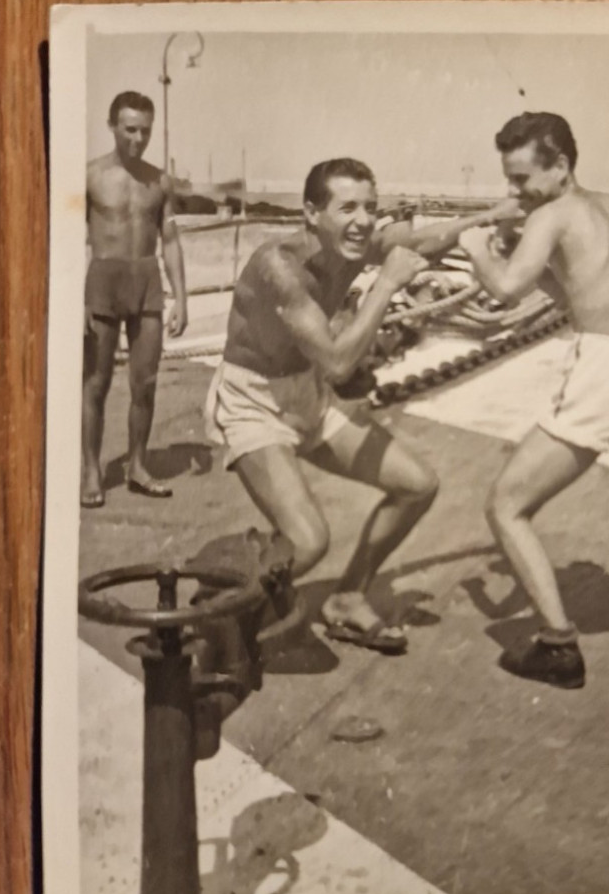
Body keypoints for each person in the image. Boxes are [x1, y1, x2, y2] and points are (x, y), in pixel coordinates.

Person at [206, 157, 514, 652]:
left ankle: (347, 598)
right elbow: (337, 363)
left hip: (307, 393)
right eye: (347, 207)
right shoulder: (278, 267)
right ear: (311, 213)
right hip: (254, 401)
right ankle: (216, 599)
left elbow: (426, 242)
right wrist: (388, 284)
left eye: (370, 207)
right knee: (308, 541)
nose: (364, 220)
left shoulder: (350, 244)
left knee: (417, 486)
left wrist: (492, 216)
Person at [459, 112, 609, 689]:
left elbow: (507, 289)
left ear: (561, 166)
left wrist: (476, 247)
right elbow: (582, 287)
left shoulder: (553, 212)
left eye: (521, 179)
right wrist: (525, 253)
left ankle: (558, 647)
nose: (513, 193)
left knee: (505, 505)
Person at [82, 91, 188, 508]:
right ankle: (92, 469)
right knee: (96, 384)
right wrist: (76, 298)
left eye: (145, 131)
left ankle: (138, 466)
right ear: (112, 126)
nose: (138, 139)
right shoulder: (89, 176)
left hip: (146, 279)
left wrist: (181, 297)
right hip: (103, 280)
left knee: (145, 383)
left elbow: (172, 240)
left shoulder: (159, 181)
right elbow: (67, 239)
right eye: (130, 129)